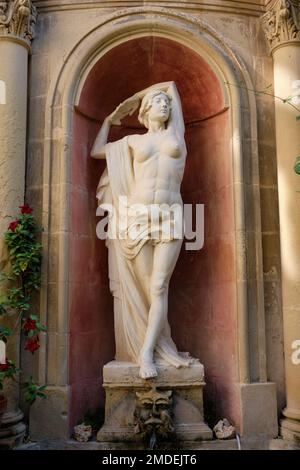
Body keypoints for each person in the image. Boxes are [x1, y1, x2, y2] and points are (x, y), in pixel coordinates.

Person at [91, 82, 195, 379]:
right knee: (147, 290)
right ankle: (159, 344)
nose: (165, 104)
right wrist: (109, 120)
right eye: (157, 102)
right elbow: (96, 151)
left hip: (169, 215)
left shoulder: (177, 135)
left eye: (166, 103)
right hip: (137, 217)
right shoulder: (133, 142)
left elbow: (173, 87)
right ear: (147, 111)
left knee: (159, 286)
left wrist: (136, 96)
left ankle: (147, 353)